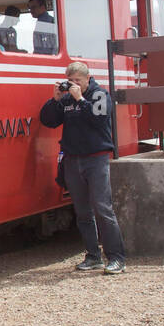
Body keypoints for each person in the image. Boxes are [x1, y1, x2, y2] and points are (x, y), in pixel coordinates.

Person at [39, 61, 126, 274]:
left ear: (88, 79)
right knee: (83, 212)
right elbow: (48, 121)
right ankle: (93, 256)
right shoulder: (67, 98)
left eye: (78, 81)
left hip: (96, 160)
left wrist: (80, 99)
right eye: (71, 81)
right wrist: (55, 100)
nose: (74, 85)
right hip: (72, 159)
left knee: (103, 208)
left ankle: (116, 258)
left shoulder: (99, 95)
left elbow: (99, 119)